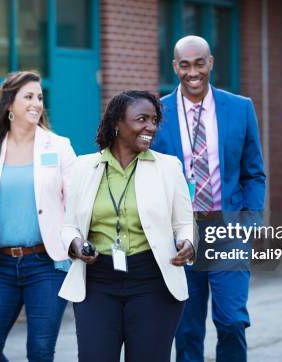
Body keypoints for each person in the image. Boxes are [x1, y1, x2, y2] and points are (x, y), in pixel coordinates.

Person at [151, 35, 266, 361]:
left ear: (210, 62)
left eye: (199, 64)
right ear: (175, 67)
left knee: (231, 320)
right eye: (184, 65)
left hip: (227, 230)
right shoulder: (157, 112)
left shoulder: (240, 108)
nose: (192, 72)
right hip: (179, 234)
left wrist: (251, 220)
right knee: (186, 328)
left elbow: (253, 172)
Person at [58, 90, 195, 362]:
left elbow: (185, 222)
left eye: (154, 120)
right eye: (141, 119)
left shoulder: (168, 168)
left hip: (153, 282)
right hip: (97, 282)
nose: (150, 127)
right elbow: (69, 226)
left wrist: (188, 243)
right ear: (117, 123)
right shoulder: (85, 168)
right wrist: (75, 244)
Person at [0, 70, 76, 362]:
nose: (36, 103)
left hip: (47, 265)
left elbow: (78, 202)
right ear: (9, 104)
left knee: (39, 352)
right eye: (28, 97)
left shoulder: (59, 146)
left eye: (39, 97)